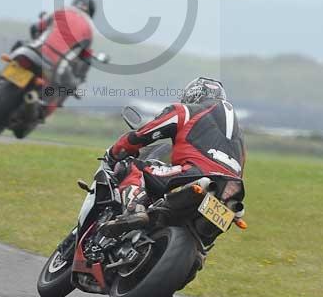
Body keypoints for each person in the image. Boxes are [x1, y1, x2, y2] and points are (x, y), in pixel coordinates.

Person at [103, 76, 246, 233]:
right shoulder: (239, 140)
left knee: (133, 166)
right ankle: (198, 254)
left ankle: (134, 209)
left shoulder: (185, 111)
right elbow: (240, 173)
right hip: (232, 190)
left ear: (192, 95)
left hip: (196, 173)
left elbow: (142, 135)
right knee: (205, 240)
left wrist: (114, 152)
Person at [29, 0, 108, 117]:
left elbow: (36, 27)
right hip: (57, 65)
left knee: (20, 50)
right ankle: (44, 109)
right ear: (91, 12)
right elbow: (85, 56)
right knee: (69, 86)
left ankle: (1, 81)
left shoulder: (61, 11)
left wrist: (37, 40)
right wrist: (80, 80)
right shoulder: (88, 29)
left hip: (35, 51)